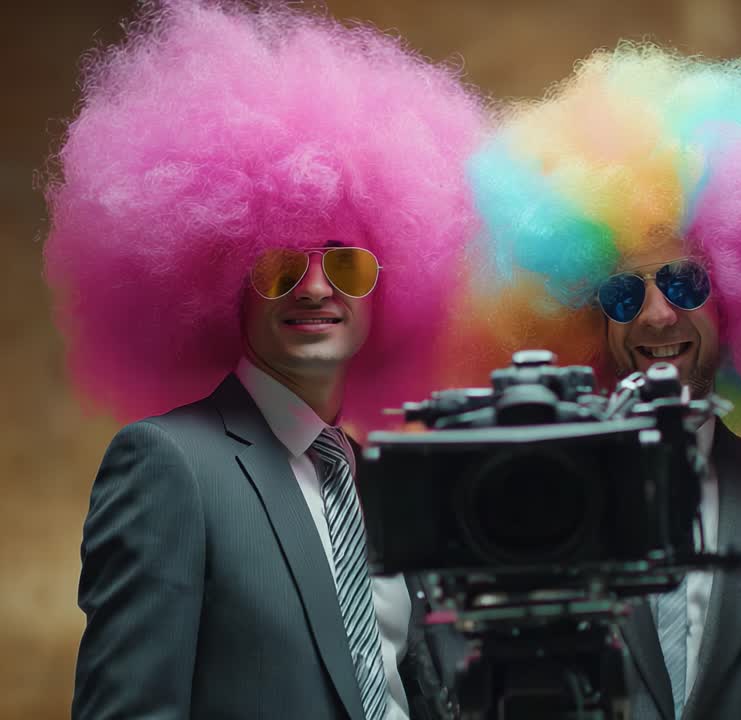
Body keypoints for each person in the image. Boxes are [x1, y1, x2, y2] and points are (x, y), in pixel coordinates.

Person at [43, 2, 487, 717]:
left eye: (346, 262)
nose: (315, 288)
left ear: (394, 283)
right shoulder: (169, 465)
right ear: (220, 281)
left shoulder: (387, 482)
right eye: (279, 266)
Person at [440, 44, 741, 720]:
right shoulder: (528, 500)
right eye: (622, 292)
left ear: (737, 293)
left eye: (684, 281)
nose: (656, 314)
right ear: (588, 317)